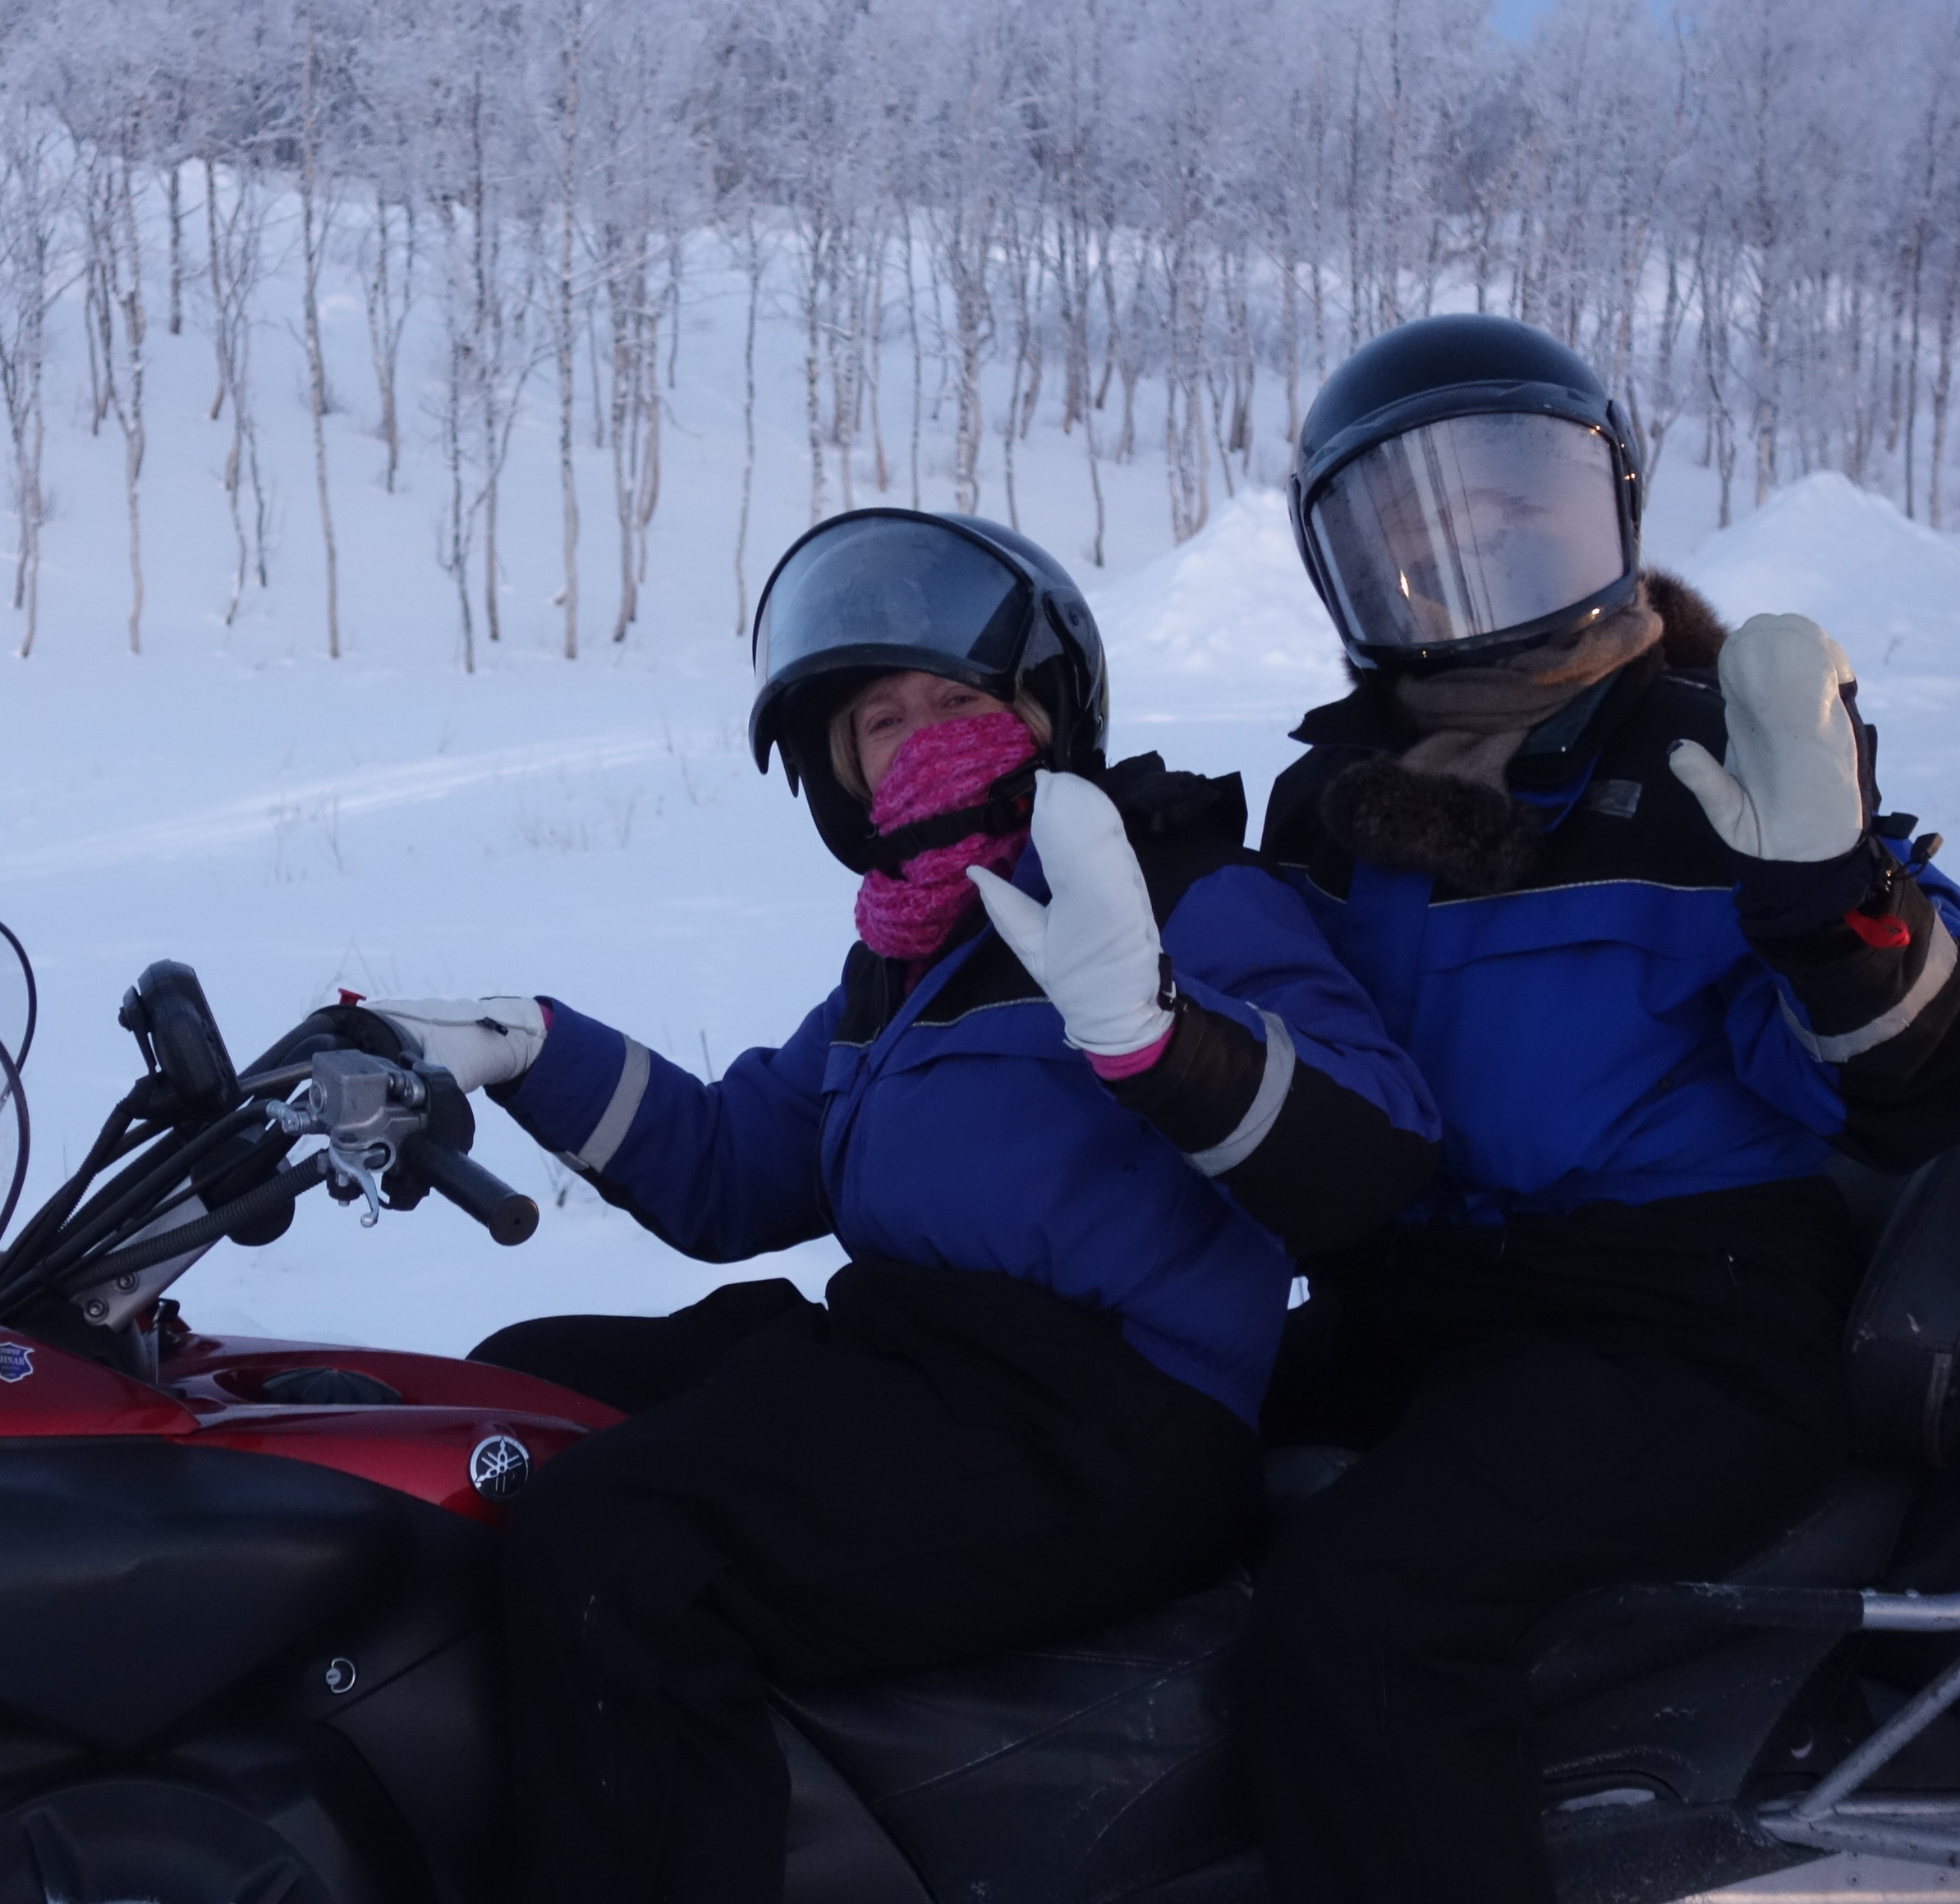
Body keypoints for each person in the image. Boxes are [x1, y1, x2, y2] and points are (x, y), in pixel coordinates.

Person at [364, 507, 1440, 1904]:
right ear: (840, 770)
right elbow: (736, 1164)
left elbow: (1378, 1147)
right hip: (913, 1368)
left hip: (1108, 1416)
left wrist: (1159, 1035)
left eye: (957, 698)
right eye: (881, 717)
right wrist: (524, 1044)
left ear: (1048, 712)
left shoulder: (1176, 886)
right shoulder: (909, 961)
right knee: (512, 1393)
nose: (921, 735)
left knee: (622, 1548)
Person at [1243, 313, 1960, 1904]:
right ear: (1350, 567)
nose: (1472, 560)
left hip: (1682, 1323)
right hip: (1425, 1307)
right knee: (1126, 1472)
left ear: (1605, 513)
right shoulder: (1335, 812)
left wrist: (1831, 903)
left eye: (1516, 509)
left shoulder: (1714, 758)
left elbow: (1938, 1081)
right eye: (1419, 529)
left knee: (1367, 1613)